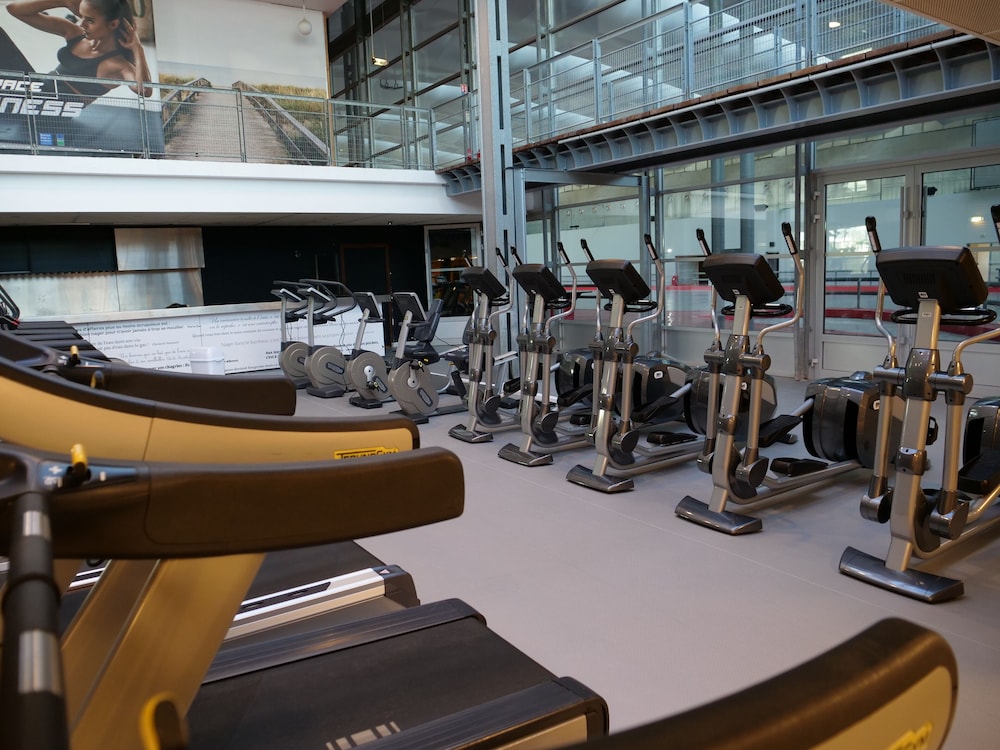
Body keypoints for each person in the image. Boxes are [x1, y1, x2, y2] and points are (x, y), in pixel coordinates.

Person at [6, 0, 151, 99]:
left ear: (113, 24)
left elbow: (145, 90)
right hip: (33, 89)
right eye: (82, 17)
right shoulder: (76, 34)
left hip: (49, 109)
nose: (82, 24)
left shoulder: (118, 64)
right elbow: (14, 9)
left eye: (90, 20)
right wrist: (62, 1)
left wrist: (137, 48)